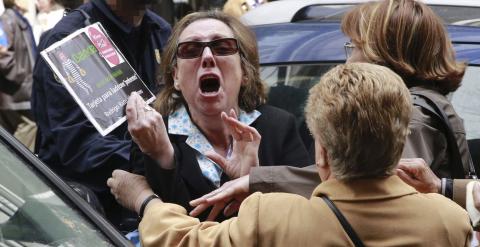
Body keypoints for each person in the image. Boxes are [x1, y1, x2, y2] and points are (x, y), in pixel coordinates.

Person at [108, 63, 471, 246]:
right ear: (400, 144)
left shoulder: (275, 218)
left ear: (324, 154)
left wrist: (145, 201)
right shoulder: (447, 221)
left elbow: (186, 240)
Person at [190, 0, 476, 218]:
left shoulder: (412, 114)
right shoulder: (425, 104)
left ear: (383, 55)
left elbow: (366, 182)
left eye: (354, 47)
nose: (347, 61)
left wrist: (258, 182)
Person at [126, 10, 311, 220]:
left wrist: (253, 184)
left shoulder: (279, 127)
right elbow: (160, 229)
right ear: (176, 76)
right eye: (191, 50)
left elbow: (303, 215)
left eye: (222, 48)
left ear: (245, 73)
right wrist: (163, 157)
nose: (207, 57)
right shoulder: (152, 136)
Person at [31, 0, 171, 230]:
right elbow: (79, 146)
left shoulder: (161, 31)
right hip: (91, 217)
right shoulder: (68, 40)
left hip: (155, 201)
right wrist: (158, 161)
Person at [0, 0, 37, 151]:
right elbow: (2, 56)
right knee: (29, 128)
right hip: (16, 95)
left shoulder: (17, 18)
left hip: (20, 92)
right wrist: (24, 78)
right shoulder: (7, 19)